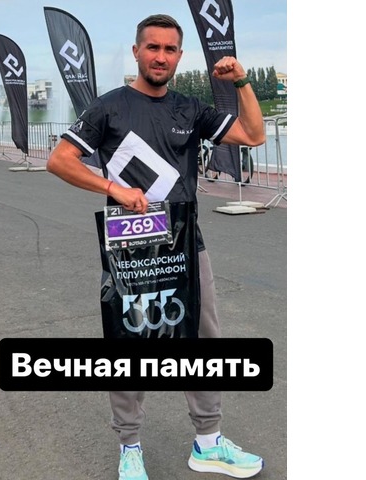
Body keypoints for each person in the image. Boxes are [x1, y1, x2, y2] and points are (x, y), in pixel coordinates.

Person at [47, 14, 266, 480]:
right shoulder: (109, 107)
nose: (160, 56)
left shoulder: (190, 109)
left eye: (169, 49)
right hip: (130, 249)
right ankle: (130, 447)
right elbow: (60, 160)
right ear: (136, 51)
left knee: (203, 339)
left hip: (185, 244)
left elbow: (253, 135)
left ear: (179, 57)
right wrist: (115, 188)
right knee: (128, 343)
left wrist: (242, 81)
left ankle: (208, 443)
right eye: (152, 47)